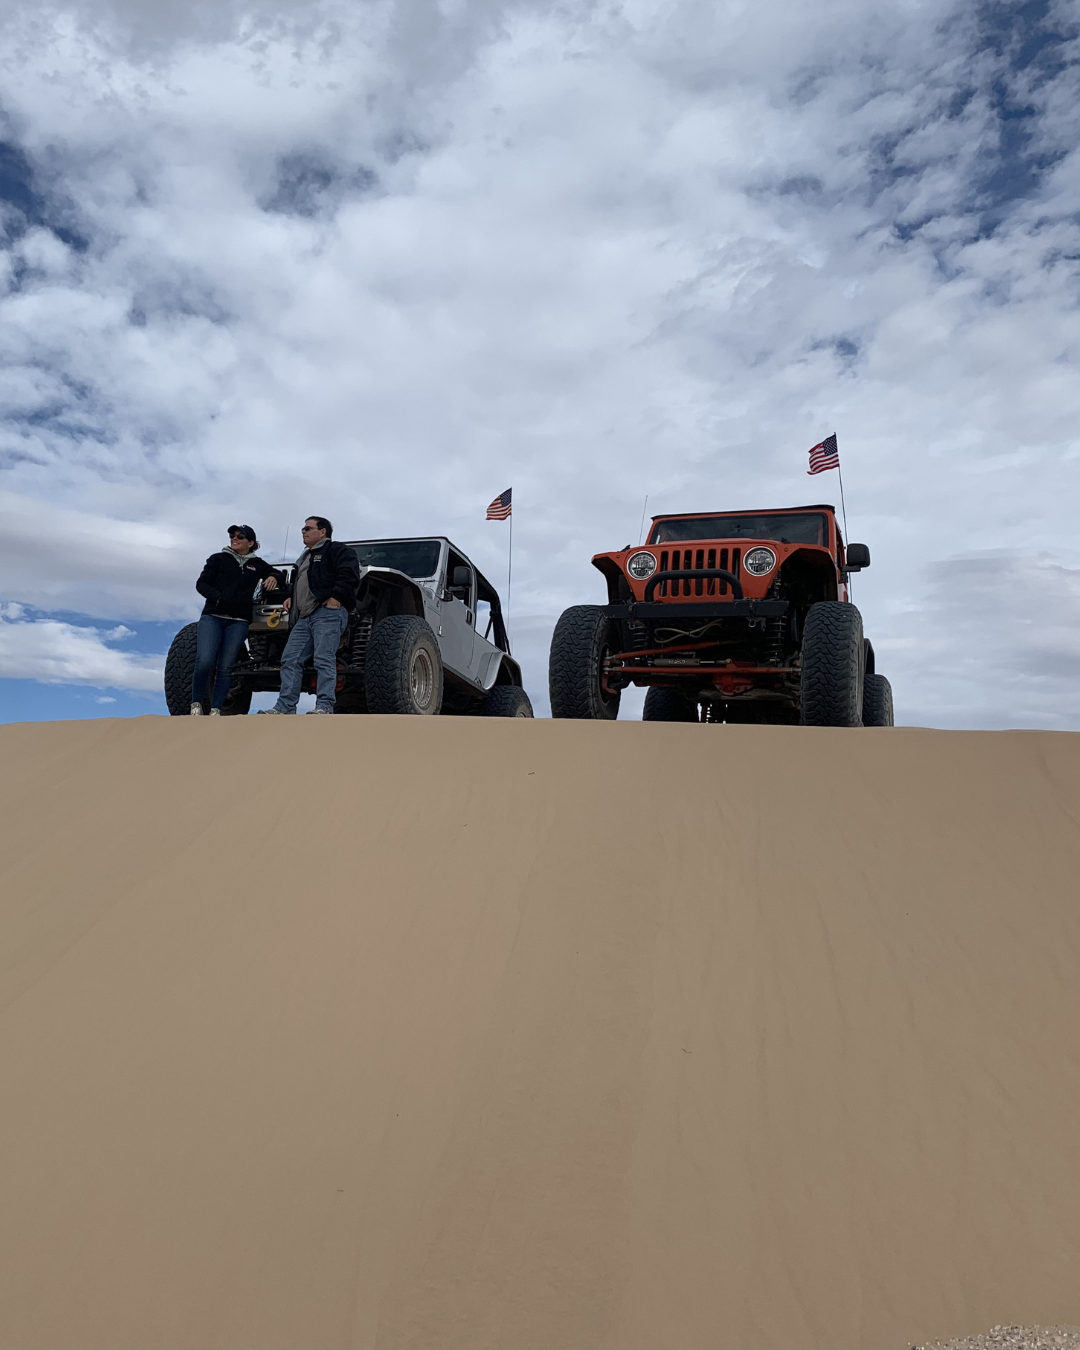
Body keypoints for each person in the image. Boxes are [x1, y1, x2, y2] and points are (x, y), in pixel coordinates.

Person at [260, 516, 360, 715]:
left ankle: (324, 706)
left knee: (324, 658)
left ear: (322, 532)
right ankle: (285, 707)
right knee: (290, 658)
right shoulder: (304, 557)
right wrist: (292, 599)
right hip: (304, 616)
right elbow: (302, 583)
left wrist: (335, 598)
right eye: (303, 529)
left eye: (308, 528)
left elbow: (349, 574)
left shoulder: (337, 549)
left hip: (327, 613)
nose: (303, 531)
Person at [191, 526, 283, 715]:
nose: (235, 538)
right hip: (213, 616)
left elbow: (279, 574)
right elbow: (201, 584)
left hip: (239, 621)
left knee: (226, 667)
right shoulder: (218, 559)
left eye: (240, 536)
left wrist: (273, 576)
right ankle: (196, 704)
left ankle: (216, 709)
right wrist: (219, 598)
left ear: (250, 543)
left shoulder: (257, 564)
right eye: (232, 535)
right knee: (205, 661)